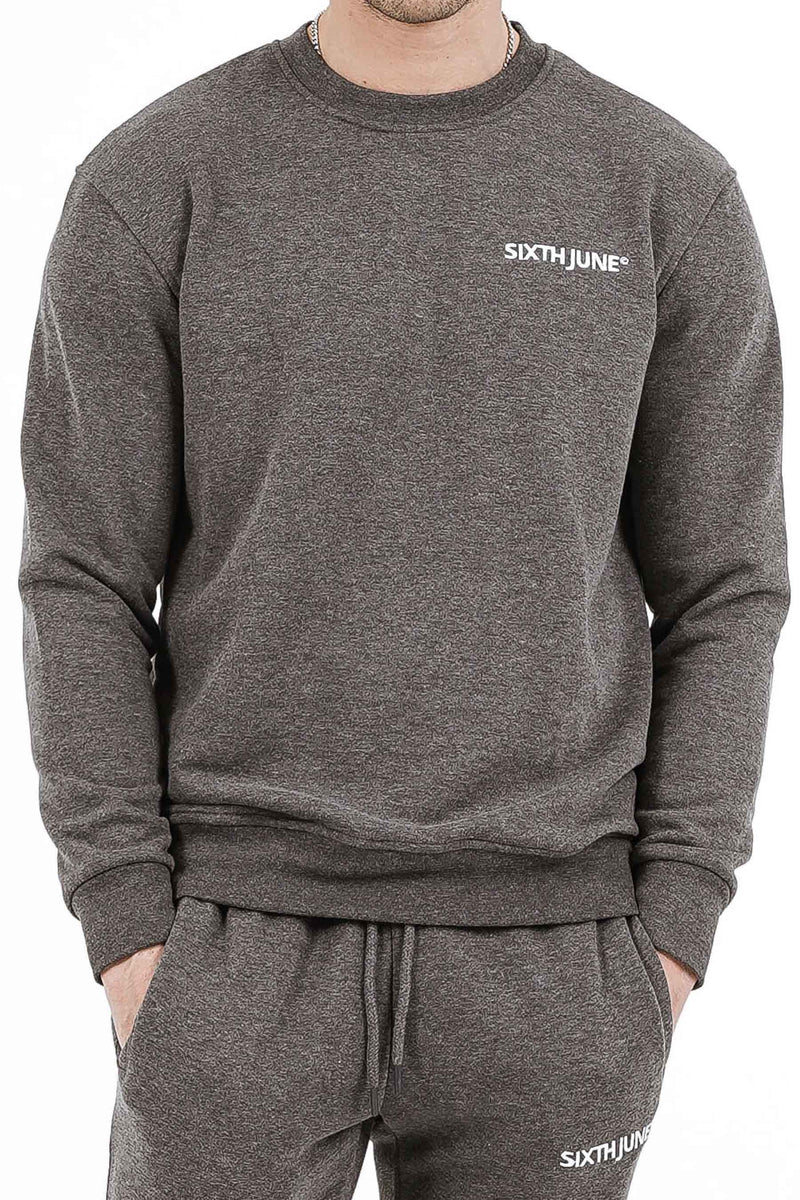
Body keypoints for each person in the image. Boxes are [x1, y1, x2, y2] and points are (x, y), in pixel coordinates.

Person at [19, 2, 789, 1197]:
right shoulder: (156, 179)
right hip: (231, 952)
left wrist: (675, 923)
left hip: (557, 961)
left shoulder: (661, 191)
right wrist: (127, 921)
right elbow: (83, 575)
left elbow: (726, 585)